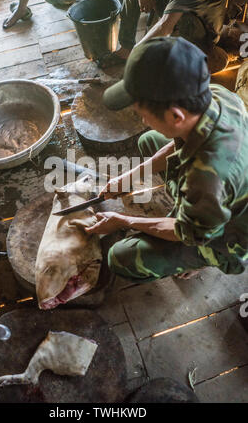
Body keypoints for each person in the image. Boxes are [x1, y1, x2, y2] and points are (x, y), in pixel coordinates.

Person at [85, 37, 248, 282]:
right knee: (149, 140)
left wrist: (122, 221)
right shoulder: (216, 94)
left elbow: (182, 232)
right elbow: (178, 143)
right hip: (220, 193)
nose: (143, 121)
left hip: (230, 233)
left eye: (144, 114)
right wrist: (130, 176)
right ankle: (189, 214)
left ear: (175, 115)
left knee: (121, 257)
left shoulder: (206, 180)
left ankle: (207, 258)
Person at [100, 0, 228, 73]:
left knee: (164, 56)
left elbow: (165, 25)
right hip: (180, 14)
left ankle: (188, 59)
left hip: (201, 31)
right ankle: (126, 48)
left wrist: (137, 50)